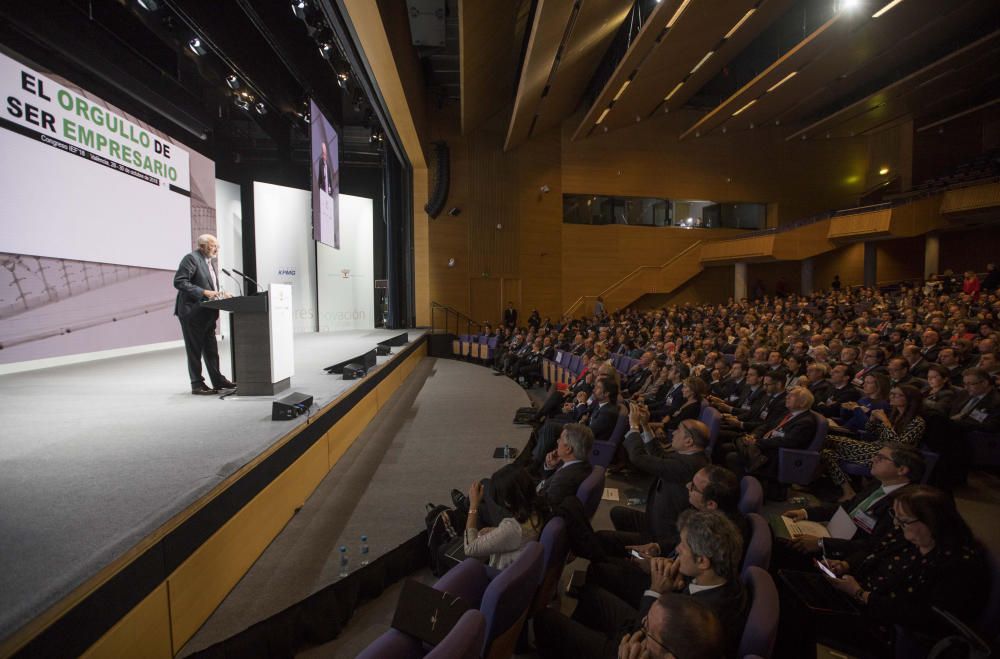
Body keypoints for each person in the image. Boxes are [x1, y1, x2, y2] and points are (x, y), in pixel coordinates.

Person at [783, 486, 988, 658]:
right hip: (857, 596)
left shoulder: (958, 564)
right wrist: (846, 565)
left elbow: (925, 617)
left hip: (884, 627)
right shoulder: (909, 535)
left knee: (794, 616)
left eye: (904, 520)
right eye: (896, 517)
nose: (897, 525)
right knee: (788, 584)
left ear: (932, 521)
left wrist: (861, 595)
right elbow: (874, 550)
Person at [779, 444, 924, 564]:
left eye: (881, 458)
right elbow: (848, 506)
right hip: (835, 535)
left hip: (849, 557)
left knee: (783, 548)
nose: (873, 459)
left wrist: (820, 544)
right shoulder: (878, 484)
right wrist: (806, 512)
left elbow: (873, 545)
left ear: (902, 470)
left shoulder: (903, 504)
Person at [822, 384, 926, 501]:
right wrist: (872, 419)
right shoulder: (895, 415)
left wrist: (885, 421)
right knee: (826, 452)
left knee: (828, 440)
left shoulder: (917, 422)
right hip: (874, 447)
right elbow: (871, 431)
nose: (892, 396)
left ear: (910, 400)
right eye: (892, 394)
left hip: (888, 456)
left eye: (898, 395)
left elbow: (898, 446)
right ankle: (848, 491)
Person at [173, 234, 236, 395]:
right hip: (192, 312)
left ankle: (217, 380)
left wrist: (219, 294)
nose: (217, 249)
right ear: (202, 246)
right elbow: (179, 281)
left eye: (217, 246)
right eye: (213, 245)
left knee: (211, 349)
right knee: (194, 350)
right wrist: (205, 292)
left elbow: (208, 286)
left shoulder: (209, 262)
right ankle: (197, 384)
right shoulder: (191, 258)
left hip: (207, 312)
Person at [463, 464, 547, 570]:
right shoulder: (538, 507)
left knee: (443, 551)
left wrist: (473, 505)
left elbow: (470, 549)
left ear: (507, 502)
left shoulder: (513, 527)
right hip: (518, 552)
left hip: (497, 573)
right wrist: (497, 531)